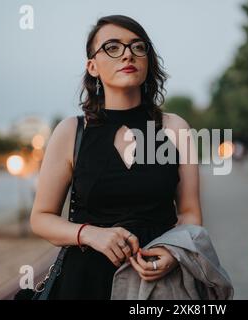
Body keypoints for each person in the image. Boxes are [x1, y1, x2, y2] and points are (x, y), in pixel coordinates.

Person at [30, 15, 202, 299]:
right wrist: (90, 234)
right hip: (84, 285)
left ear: (147, 61)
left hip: (157, 286)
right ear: (92, 66)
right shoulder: (72, 131)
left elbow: (190, 212)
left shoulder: (174, 128)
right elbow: (40, 218)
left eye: (137, 47)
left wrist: (173, 253)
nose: (127, 54)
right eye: (112, 47)